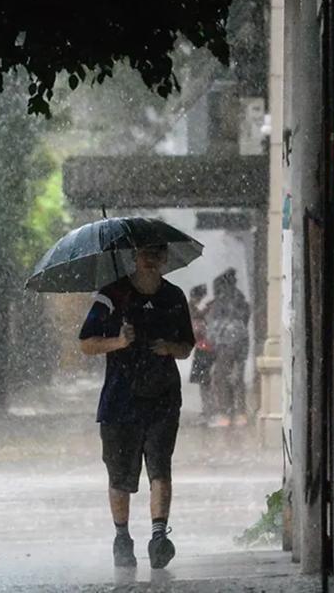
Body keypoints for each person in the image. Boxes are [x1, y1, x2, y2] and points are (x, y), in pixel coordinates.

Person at [78, 243, 195, 570]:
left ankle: (159, 538)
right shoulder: (111, 296)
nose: (151, 259)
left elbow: (186, 346)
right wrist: (118, 341)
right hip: (120, 400)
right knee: (119, 475)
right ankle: (122, 537)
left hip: (163, 398)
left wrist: (169, 347)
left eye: (157, 253)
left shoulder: (174, 297)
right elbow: (86, 343)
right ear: (134, 256)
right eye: (145, 252)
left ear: (165, 257)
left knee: (160, 466)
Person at [206, 269, 251, 428]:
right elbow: (245, 318)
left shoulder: (221, 301)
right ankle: (240, 413)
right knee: (238, 377)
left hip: (225, 343)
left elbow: (214, 324)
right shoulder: (241, 299)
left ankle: (225, 413)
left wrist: (212, 340)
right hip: (241, 341)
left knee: (222, 377)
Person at [187, 284, 216, 422]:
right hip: (206, 348)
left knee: (205, 382)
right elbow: (197, 327)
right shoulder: (193, 309)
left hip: (204, 349)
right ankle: (208, 410)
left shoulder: (194, 310)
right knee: (206, 382)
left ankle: (208, 410)